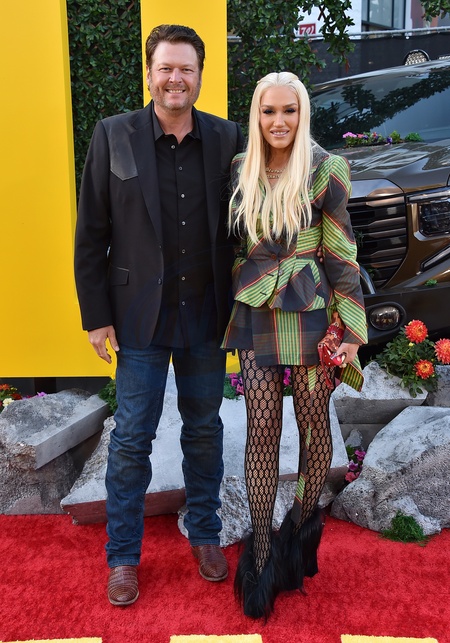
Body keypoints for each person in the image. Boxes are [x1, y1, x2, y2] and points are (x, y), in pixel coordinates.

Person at [74, 24, 243, 607]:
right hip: (137, 317)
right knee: (130, 439)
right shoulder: (113, 134)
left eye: (186, 69)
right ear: (149, 73)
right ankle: (123, 557)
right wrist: (96, 316)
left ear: (199, 76)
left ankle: (206, 535)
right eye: (166, 68)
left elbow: (244, 225)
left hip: (207, 315)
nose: (176, 78)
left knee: (205, 431)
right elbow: (91, 233)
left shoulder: (226, 137)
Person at [221, 71, 368, 619]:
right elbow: (235, 246)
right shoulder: (242, 167)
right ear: (256, 115)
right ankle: (261, 552)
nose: (278, 121)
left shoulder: (326, 168)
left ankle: (299, 532)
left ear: (302, 113)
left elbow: (343, 255)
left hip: (311, 313)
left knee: (312, 425)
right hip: (257, 309)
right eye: (268, 111)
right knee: (261, 427)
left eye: (289, 110)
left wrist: (351, 333)